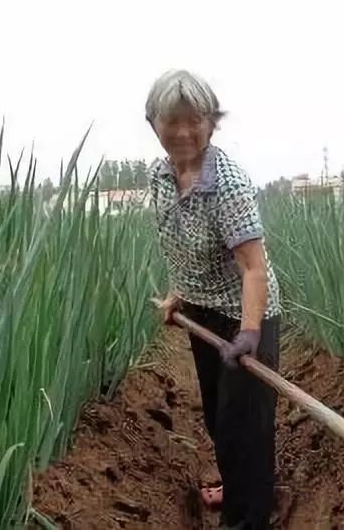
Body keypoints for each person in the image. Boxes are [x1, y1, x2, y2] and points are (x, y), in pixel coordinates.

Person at [145, 69, 283, 530]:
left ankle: (248, 517)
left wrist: (249, 332)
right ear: (154, 124)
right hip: (202, 316)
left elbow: (253, 267)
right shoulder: (160, 177)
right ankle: (237, 487)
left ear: (211, 123)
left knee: (246, 426)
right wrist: (177, 296)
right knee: (219, 421)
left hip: (246, 315)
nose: (184, 132)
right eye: (172, 121)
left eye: (195, 120)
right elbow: (179, 245)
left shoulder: (228, 183)